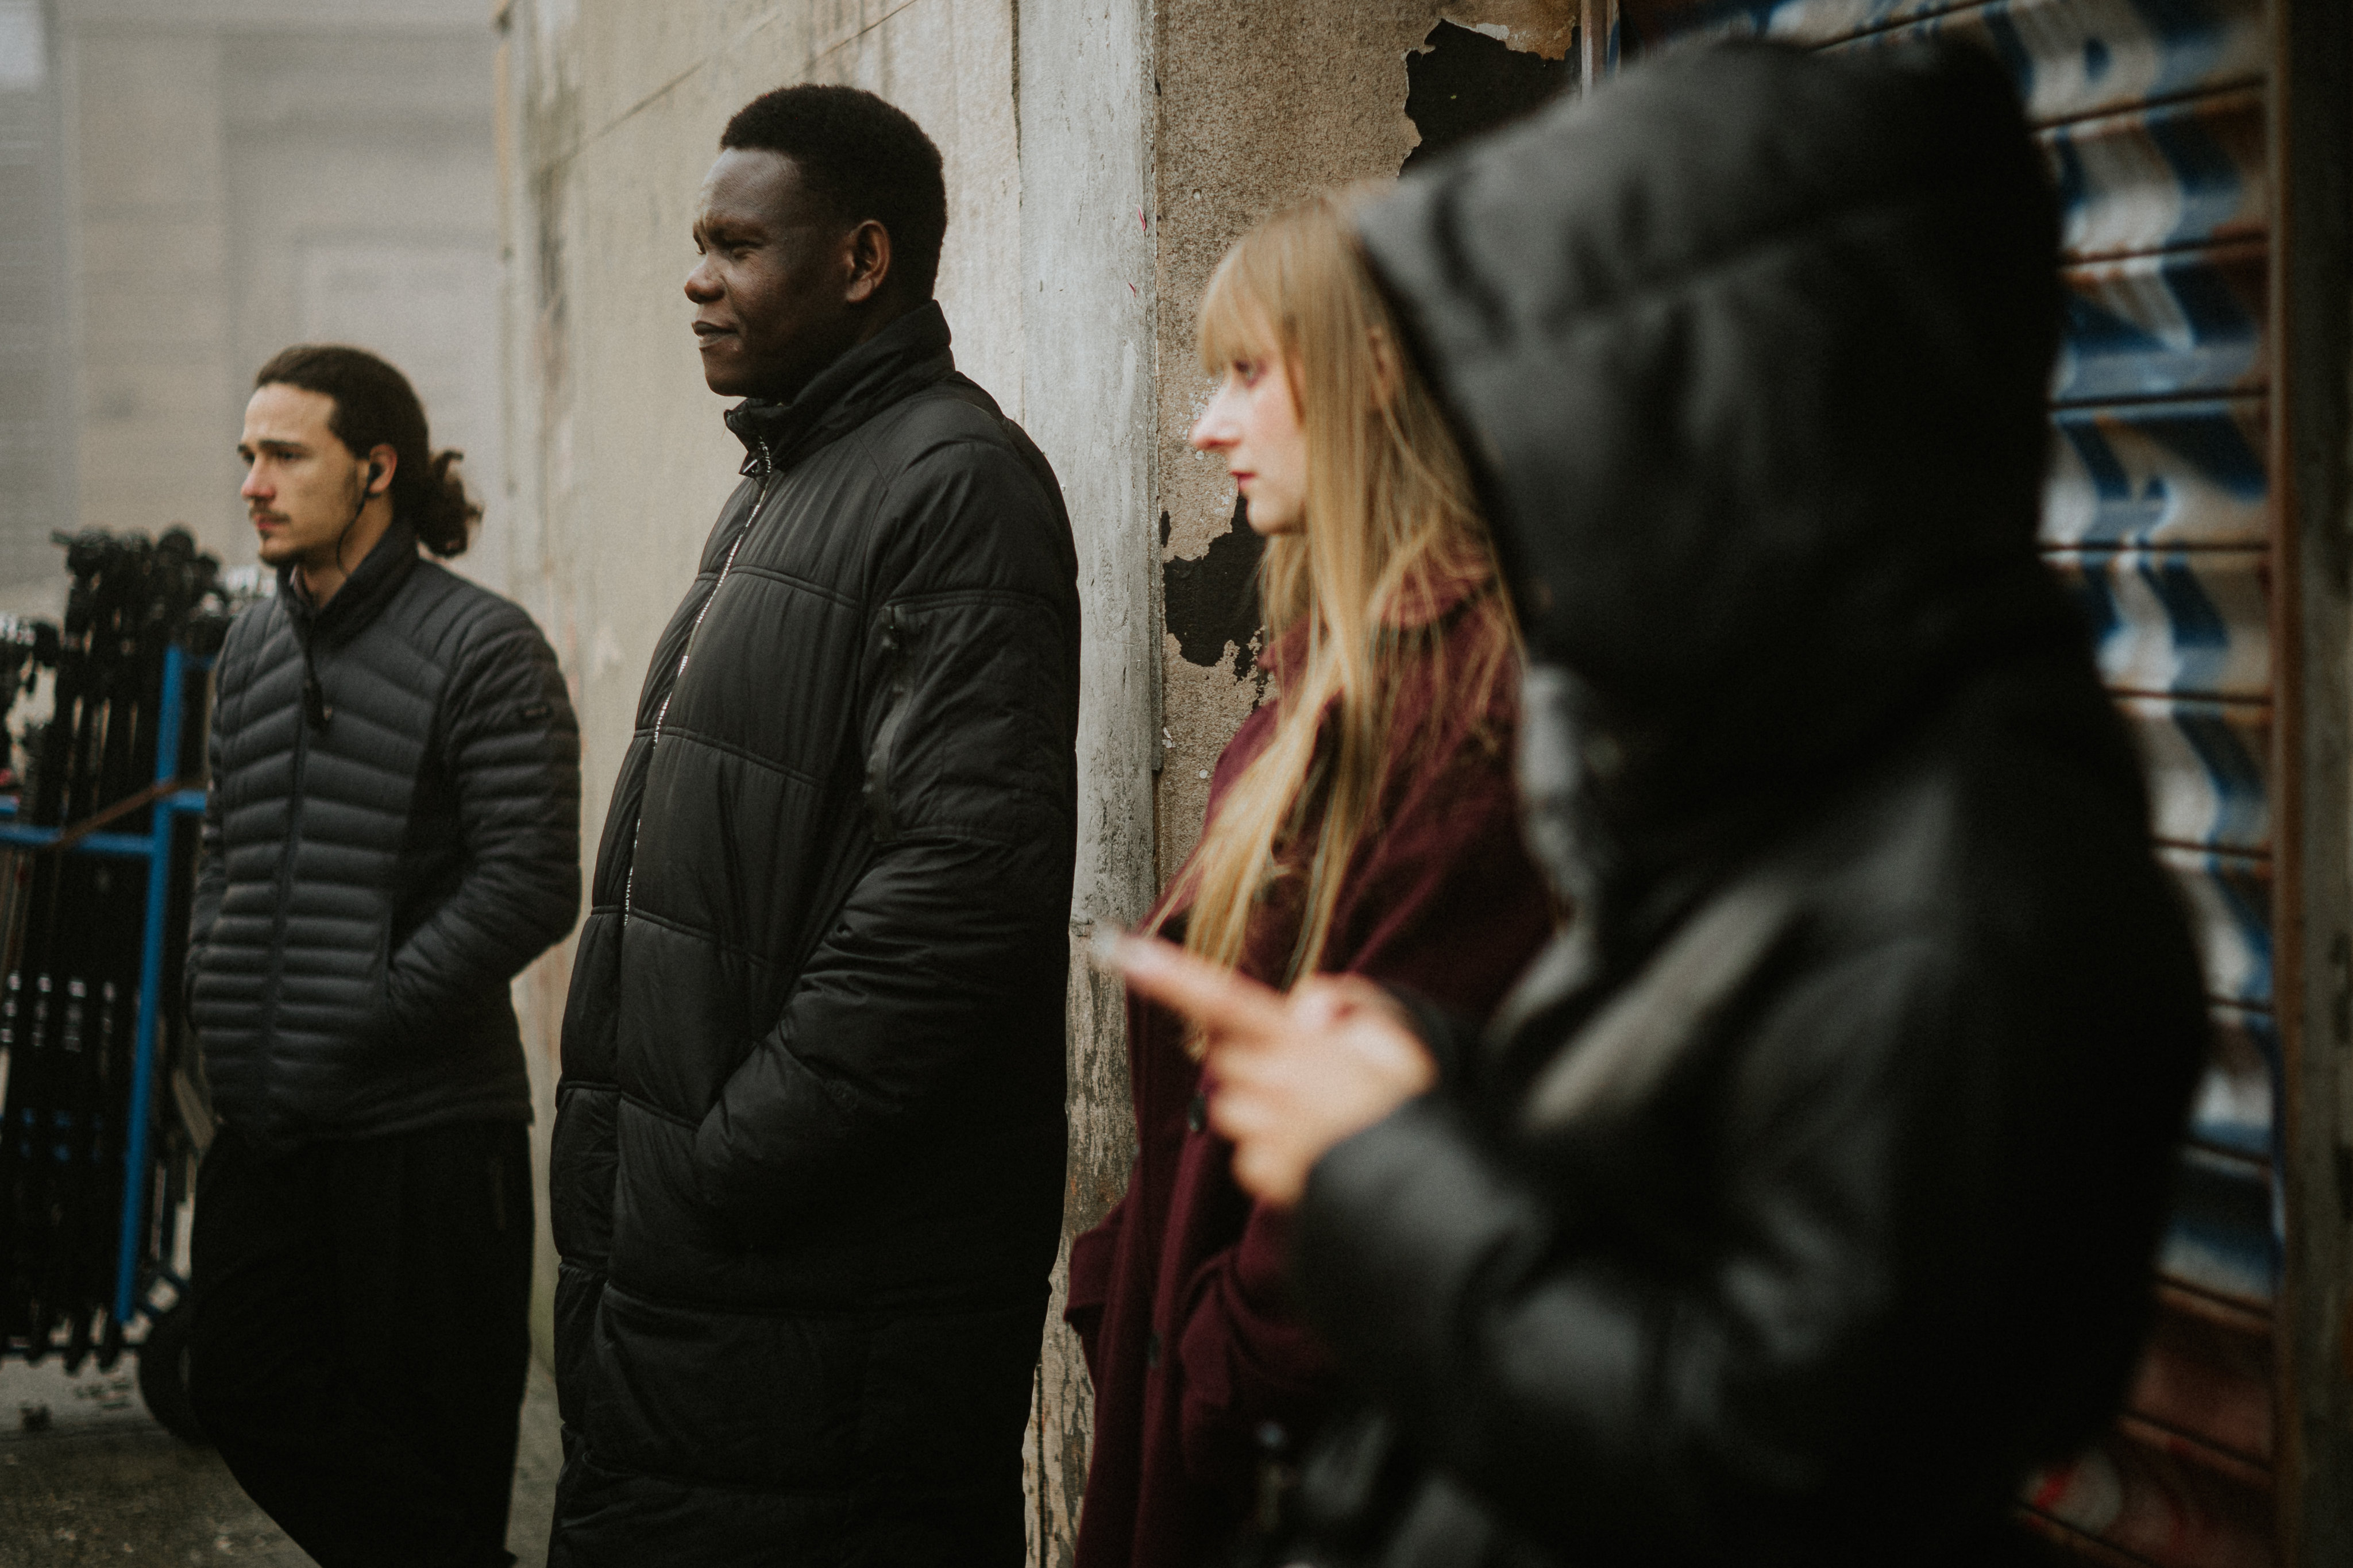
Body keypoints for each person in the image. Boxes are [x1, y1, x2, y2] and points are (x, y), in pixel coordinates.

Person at [1106, 40, 2210, 1568]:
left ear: (1715, 425)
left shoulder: (1959, 895)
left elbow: (1779, 1474)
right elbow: (1685, 1198)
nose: (1508, 472)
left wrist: (1379, 1178)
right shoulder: (1794, 774)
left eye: (1549, 415)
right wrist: (1441, 1089)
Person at [545, 86, 1080, 1566]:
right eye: (696, 245)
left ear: (861, 260)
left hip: (821, 1294)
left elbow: (962, 883)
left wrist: (730, 1159)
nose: (696, 280)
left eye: (736, 246)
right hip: (712, 1283)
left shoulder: (954, 487)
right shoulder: (786, 477)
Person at [1066, 196, 1552, 1568]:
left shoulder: (1459, 713)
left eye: (1247, 372)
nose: (1205, 427)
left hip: (1301, 1477)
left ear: (1372, 371)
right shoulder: (1335, 675)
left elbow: (1391, 1141)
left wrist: (1217, 1374)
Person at [186, 344, 582, 1568]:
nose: (253, 483)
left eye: (283, 455)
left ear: (376, 468)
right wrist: (214, 986)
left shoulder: (483, 645)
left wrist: (370, 1006)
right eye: (247, 455)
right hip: (268, 1125)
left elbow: (530, 881)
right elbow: (222, 846)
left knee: (435, 1448)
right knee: (239, 1381)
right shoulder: (251, 651)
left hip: (426, 1135)